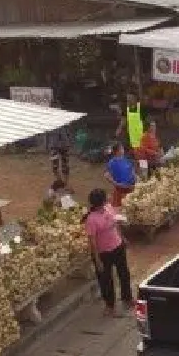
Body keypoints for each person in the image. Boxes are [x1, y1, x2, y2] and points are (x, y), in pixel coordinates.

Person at [82, 188, 132, 318]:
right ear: (102, 201)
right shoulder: (91, 220)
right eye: (106, 197)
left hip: (117, 246)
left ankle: (127, 298)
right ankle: (110, 306)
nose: (108, 198)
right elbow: (92, 242)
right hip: (103, 253)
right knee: (106, 280)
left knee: (124, 274)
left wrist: (122, 238)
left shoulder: (109, 208)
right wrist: (97, 260)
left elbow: (116, 224)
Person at [104, 143, 136, 208]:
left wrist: (135, 177)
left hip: (130, 186)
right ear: (117, 151)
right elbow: (107, 175)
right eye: (122, 149)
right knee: (119, 206)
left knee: (130, 205)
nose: (123, 150)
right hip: (120, 189)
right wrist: (116, 183)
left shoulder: (126, 159)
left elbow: (132, 169)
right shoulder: (112, 162)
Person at [44, 116, 72, 183]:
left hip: (62, 146)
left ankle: (65, 182)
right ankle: (59, 181)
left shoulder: (64, 124)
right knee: (56, 165)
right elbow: (46, 136)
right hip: (55, 147)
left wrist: (69, 144)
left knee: (64, 165)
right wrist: (46, 146)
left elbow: (68, 134)